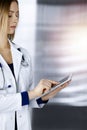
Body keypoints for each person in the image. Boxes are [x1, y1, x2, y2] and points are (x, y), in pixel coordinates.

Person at [0, 0, 70, 130]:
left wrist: (44, 96)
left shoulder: (23, 54)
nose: (15, 19)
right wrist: (33, 93)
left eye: (17, 14)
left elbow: (26, 99)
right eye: (10, 15)